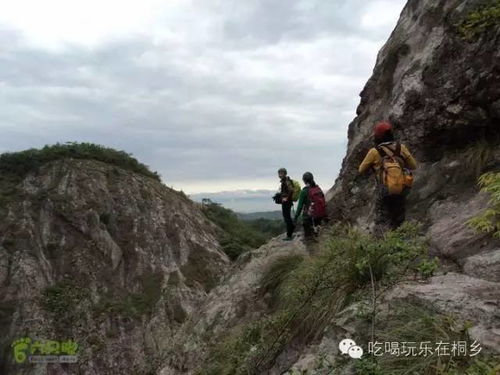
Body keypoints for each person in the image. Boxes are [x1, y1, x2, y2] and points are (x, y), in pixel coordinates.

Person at [358, 121, 417, 236]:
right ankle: (402, 240)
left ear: (378, 136)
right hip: (401, 188)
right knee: (400, 218)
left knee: (383, 219)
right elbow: (413, 166)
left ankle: (387, 244)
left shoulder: (374, 152)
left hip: (384, 190)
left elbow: (361, 169)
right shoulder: (401, 148)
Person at [293, 172, 327, 241]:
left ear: (304, 180)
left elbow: (299, 207)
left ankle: (311, 246)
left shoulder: (304, 191)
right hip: (318, 216)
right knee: (317, 235)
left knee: (308, 238)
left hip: (308, 217)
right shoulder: (318, 188)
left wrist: (296, 217)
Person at [277, 167, 295, 241]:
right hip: (286, 202)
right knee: (287, 217)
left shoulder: (286, 181)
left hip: (286, 202)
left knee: (287, 218)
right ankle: (291, 230)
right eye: (279, 173)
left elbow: (291, 190)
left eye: (281, 173)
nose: (280, 175)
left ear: (285, 173)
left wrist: (285, 198)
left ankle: (289, 235)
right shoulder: (284, 181)